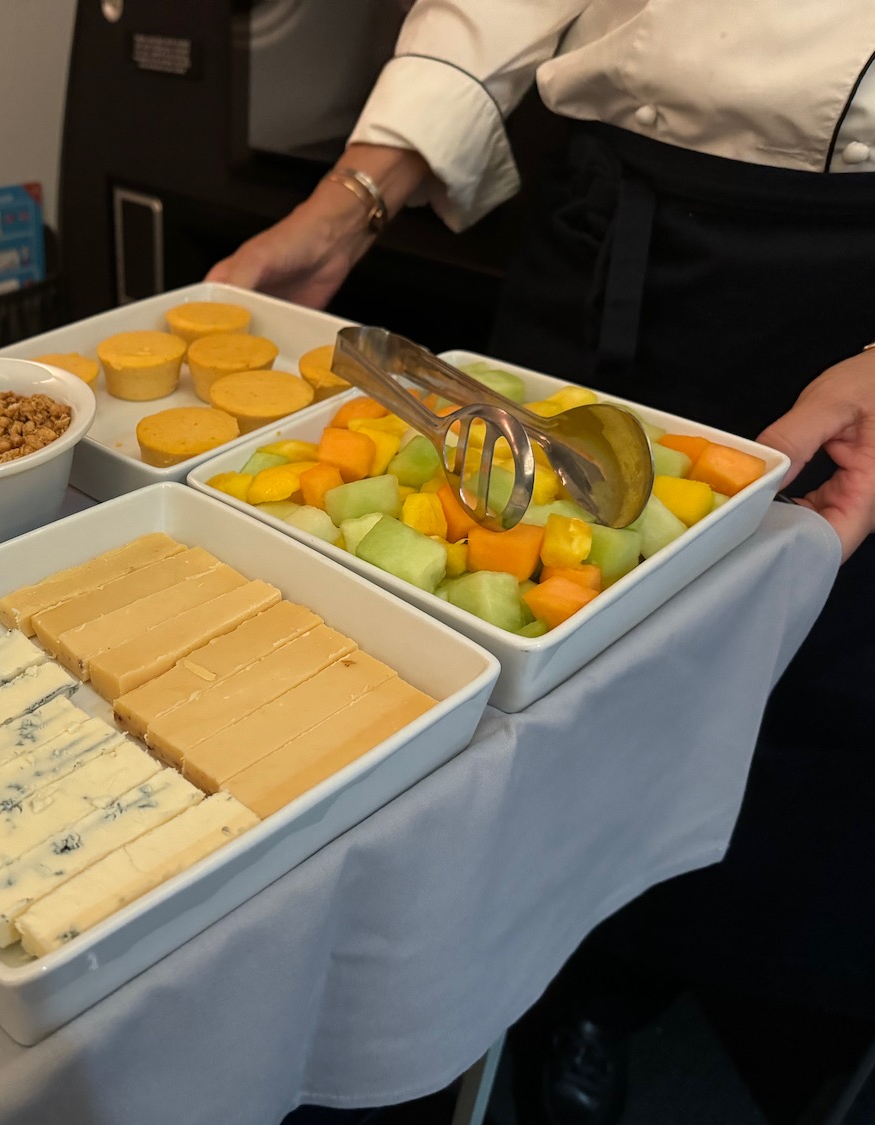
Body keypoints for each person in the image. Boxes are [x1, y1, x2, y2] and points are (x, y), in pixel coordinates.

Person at [208, 3, 875, 1122]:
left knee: (795, 691)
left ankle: (703, 1008)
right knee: (513, 689)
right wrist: (354, 199)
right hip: (610, 239)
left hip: (843, 307)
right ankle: (545, 991)